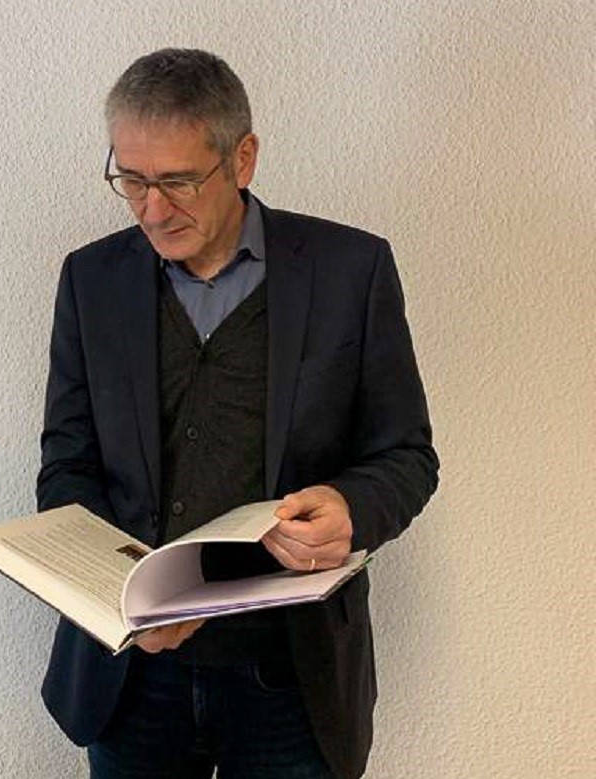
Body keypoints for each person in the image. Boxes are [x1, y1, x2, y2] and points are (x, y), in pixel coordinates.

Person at [37, 49, 438, 779]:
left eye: (178, 181)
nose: (152, 209)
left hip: (292, 674)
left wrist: (352, 507)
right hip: (130, 674)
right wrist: (119, 594)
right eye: (130, 179)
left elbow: (406, 454)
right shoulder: (91, 279)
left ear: (243, 157)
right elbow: (68, 464)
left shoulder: (353, 270)